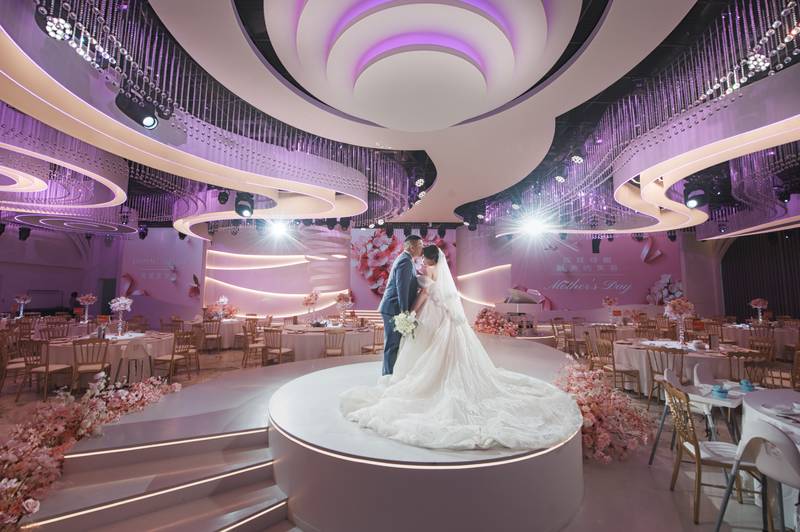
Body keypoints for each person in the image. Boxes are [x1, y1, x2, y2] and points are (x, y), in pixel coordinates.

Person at [340, 245, 581, 451]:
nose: (422, 260)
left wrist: (411, 312)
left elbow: (424, 294)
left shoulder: (429, 272)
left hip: (431, 314)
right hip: (443, 315)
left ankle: (428, 381)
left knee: (428, 349)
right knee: (438, 350)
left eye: (424, 257)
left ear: (430, 259)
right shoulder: (438, 272)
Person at [377, 234, 422, 375]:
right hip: (394, 308)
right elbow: (402, 288)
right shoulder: (405, 261)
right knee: (392, 345)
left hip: (394, 307)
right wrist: (404, 312)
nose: (422, 248)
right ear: (412, 247)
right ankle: (387, 376)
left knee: (394, 344)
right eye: (420, 245)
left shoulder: (407, 260)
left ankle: (390, 374)